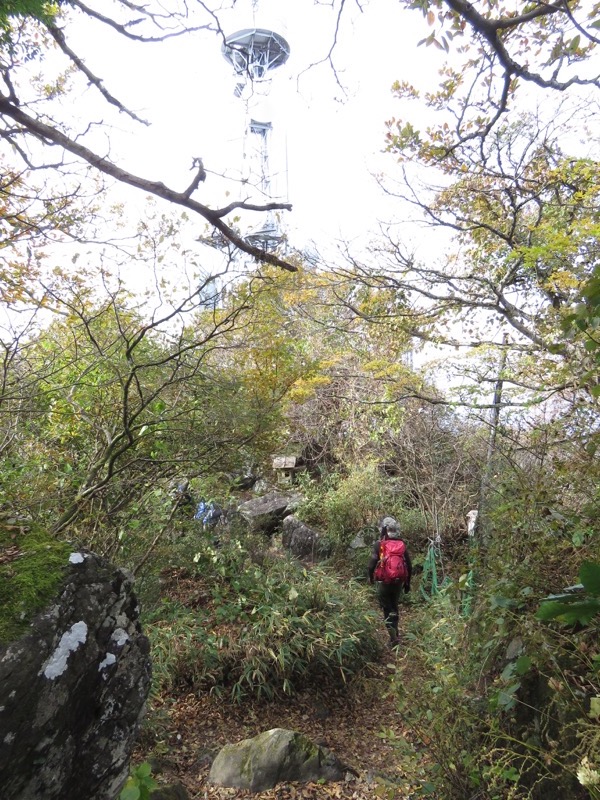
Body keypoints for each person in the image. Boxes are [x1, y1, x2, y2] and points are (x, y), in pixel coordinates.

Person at [367, 516, 412, 647]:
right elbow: (409, 566)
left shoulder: (379, 545)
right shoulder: (402, 545)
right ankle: (396, 632)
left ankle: (393, 638)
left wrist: (370, 578)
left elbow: (371, 565)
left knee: (387, 608)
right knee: (394, 606)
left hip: (384, 582)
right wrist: (407, 583)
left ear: (383, 530)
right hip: (398, 582)